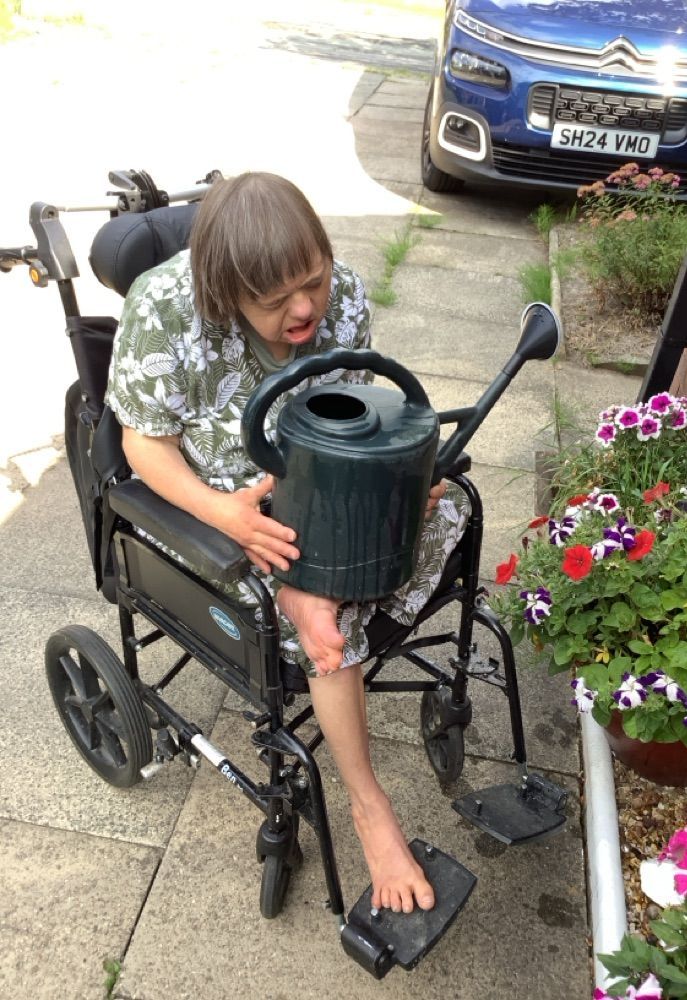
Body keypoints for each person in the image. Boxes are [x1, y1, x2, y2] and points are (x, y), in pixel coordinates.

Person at [105, 172, 470, 914]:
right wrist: (224, 513)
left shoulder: (346, 298)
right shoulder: (166, 312)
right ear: (223, 294)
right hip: (226, 504)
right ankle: (369, 808)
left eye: (313, 280)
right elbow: (143, 447)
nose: (304, 309)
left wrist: (398, 477)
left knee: (451, 503)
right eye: (275, 302)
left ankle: (320, 590)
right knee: (340, 627)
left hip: (323, 482)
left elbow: (361, 408)